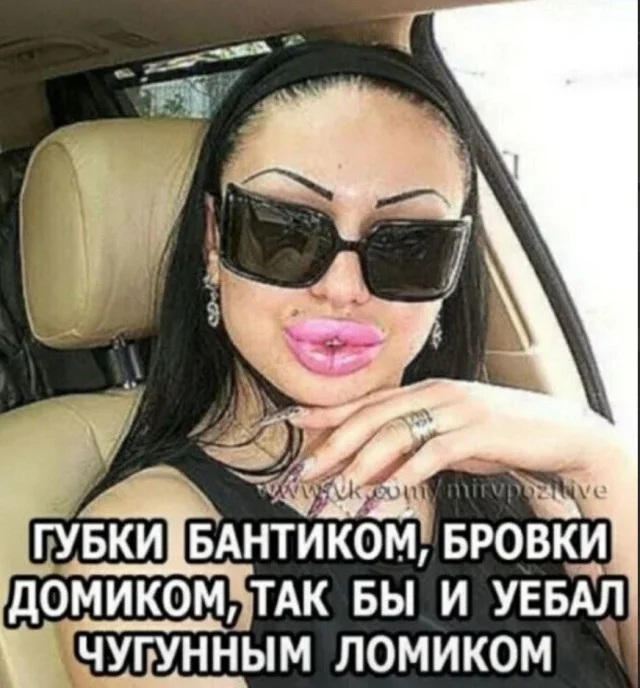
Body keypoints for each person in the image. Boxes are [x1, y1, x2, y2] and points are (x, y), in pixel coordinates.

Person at [57, 41, 637, 687]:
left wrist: (601, 457)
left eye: (410, 244)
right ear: (215, 240)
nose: (342, 287)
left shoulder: (522, 491)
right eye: (284, 229)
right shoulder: (149, 549)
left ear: (452, 269)